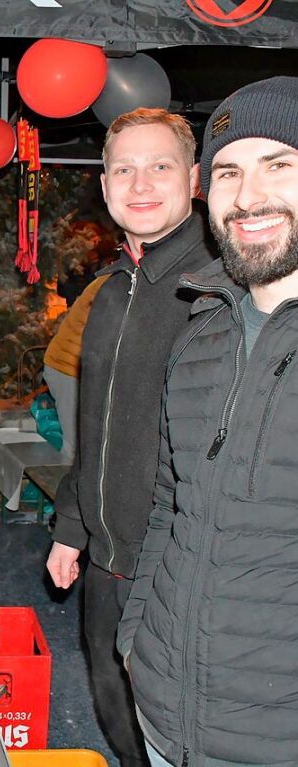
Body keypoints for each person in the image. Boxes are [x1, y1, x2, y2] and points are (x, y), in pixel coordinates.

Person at [118, 76, 298, 767]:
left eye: (278, 165)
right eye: (228, 172)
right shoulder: (200, 332)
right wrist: (134, 637)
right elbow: (170, 504)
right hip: (164, 718)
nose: (248, 197)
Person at [45, 107, 216, 767]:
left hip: (175, 570)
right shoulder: (113, 289)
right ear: (103, 182)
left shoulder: (215, 284)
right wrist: (70, 523)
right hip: (108, 560)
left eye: (159, 166)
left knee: (173, 733)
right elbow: (96, 423)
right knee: (114, 710)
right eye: (123, 168)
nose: (139, 183)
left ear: (194, 179)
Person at [42, 273, 109, 462]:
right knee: (75, 448)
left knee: (85, 443)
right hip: (67, 368)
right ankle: (67, 490)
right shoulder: (114, 284)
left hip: (76, 368)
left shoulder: (114, 279)